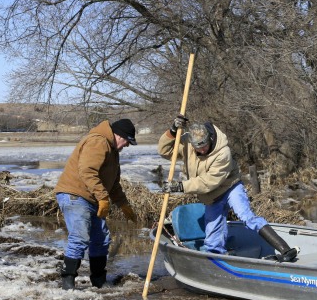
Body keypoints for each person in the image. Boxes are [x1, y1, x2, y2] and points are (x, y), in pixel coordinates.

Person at [158, 115, 297, 261]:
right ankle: (217, 259)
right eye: (198, 147)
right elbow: (165, 151)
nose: (203, 150)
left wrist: (180, 186)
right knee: (212, 238)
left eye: (205, 146)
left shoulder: (223, 152)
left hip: (230, 187)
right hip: (212, 196)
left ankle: (285, 249)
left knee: (246, 216)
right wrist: (172, 131)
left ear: (209, 139)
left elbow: (208, 182)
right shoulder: (188, 142)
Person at [54, 119, 139, 290]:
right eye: (127, 141)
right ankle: (68, 281)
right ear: (118, 135)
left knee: (101, 239)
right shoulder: (98, 141)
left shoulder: (113, 150)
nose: (127, 146)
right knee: (80, 237)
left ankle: (98, 280)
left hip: (90, 197)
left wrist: (124, 205)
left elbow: (113, 183)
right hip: (75, 194)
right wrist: (102, 198)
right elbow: (87, 171)